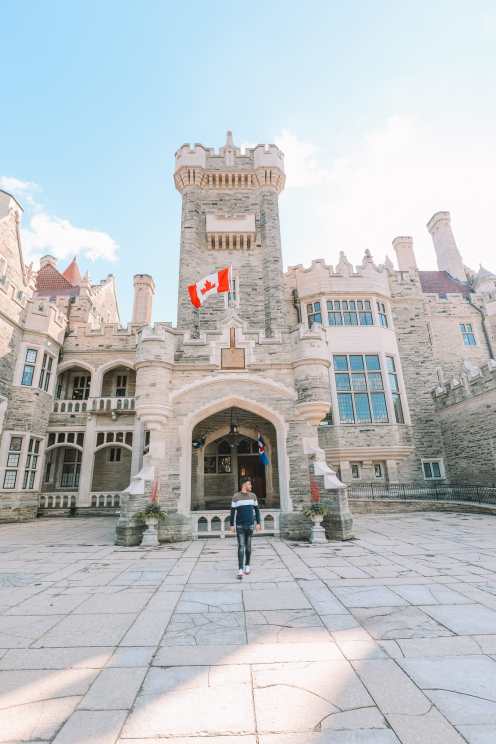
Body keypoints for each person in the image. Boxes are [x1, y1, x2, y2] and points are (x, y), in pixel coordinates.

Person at [230, 477, 261, 579]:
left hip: (250, 525)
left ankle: (247, 565)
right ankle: (240, 569)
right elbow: (232, 512)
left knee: (248, 546)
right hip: (240, 526)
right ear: (244, 485)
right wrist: (231, 525)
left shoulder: (253, 496)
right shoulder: (236, 497)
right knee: (241, 546)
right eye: (249, 484)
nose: (251, 486)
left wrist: (258, 523)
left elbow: (256, 510)